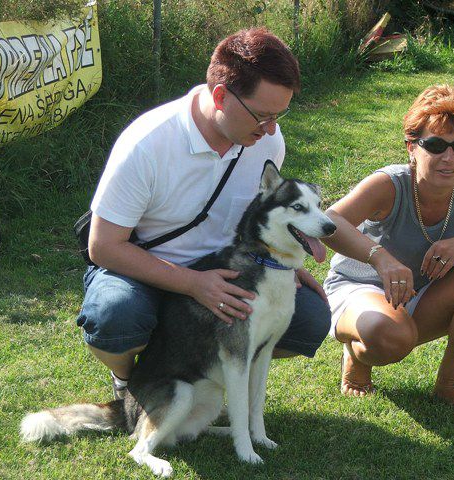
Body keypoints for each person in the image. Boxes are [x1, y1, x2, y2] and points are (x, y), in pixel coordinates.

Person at [76, 27, 331, 400]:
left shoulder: (267, 141)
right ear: (220, 96)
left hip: (229, 268)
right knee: (115, 318)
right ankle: (131, 381)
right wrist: (194, 284)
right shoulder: (148, 143)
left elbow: (258, 221)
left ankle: (207, 371)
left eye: (279, 115)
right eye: (262, 116)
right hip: (142, 268)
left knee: (309, 320)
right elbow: (104, 247)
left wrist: (284, 263)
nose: (272, 129)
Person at [322, 84, 454, 415]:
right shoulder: (388, 184)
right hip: (360, 289)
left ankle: (448, 385)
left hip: (421, 291)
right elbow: (329, 222)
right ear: (411, 147)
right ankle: (357, 355)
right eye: (436, 145)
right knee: (390, 337)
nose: (449, 157)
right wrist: (379, 258)